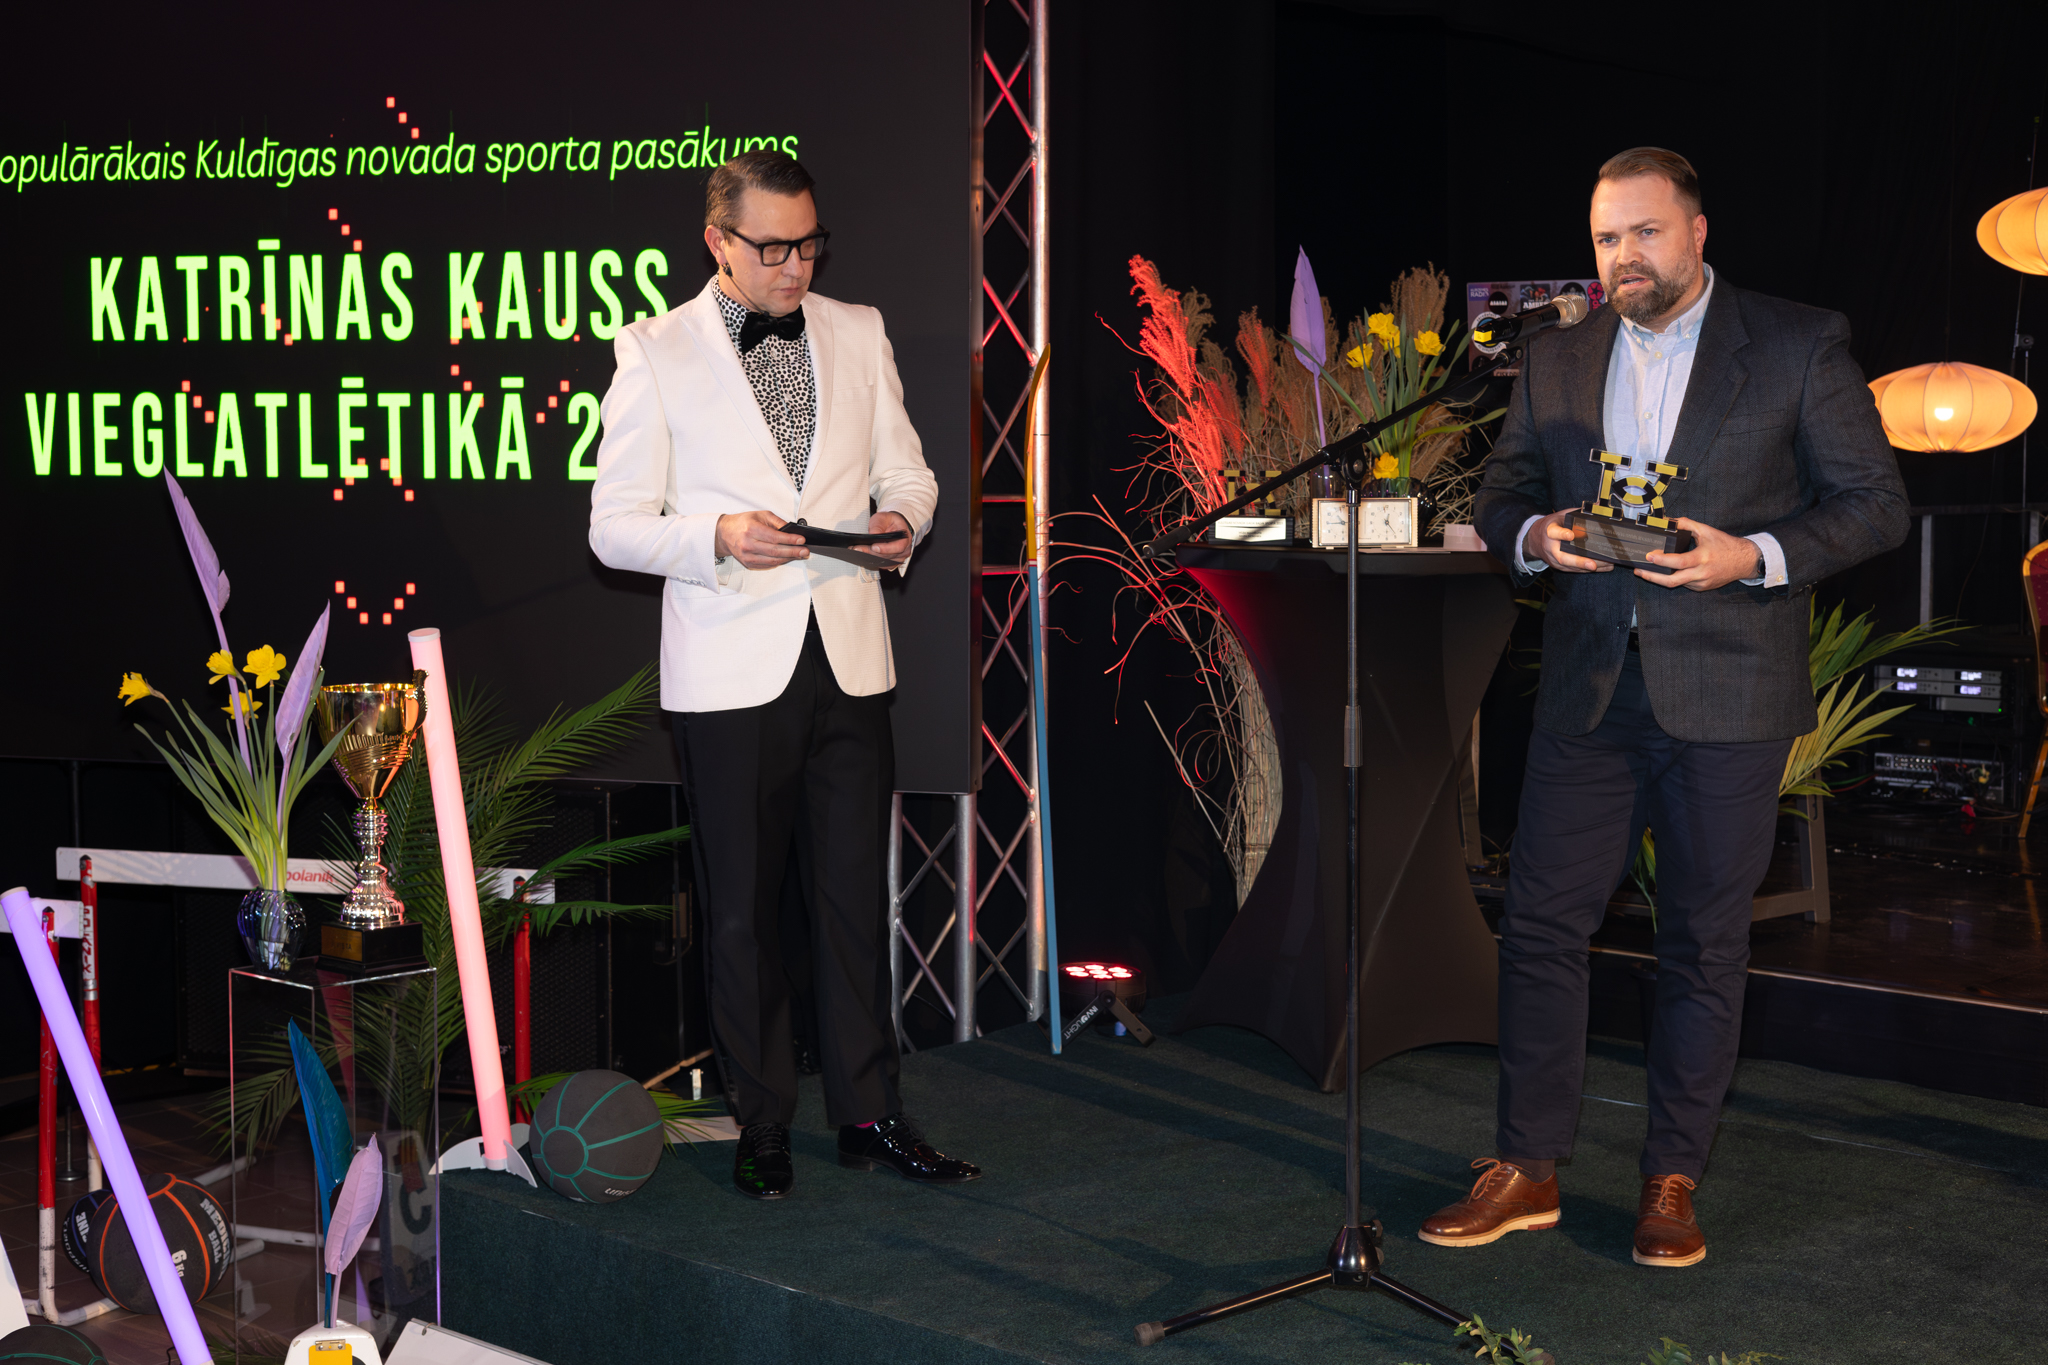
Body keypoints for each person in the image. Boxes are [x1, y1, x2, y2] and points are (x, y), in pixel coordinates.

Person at [1443, 147, 1906, 1266]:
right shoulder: (1557, 355)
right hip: (1589, 687)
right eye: (1607, 238)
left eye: (1645, 232)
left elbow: (1874, 504)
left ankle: (1670, 1178)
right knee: (1540, 928)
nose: (1624, 257)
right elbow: (1504, 492)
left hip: (1731, 687)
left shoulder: (1797, 342)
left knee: (1701, 940)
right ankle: (1527, 1165)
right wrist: (1536, 535)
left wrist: (1751, 555)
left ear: (1698, 233)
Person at [588, 150, 978, 1200]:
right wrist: (715, 535)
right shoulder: (656, 349)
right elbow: (613, 527)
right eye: (771, 248)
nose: (795, 266)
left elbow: (910, 473)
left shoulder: (858, 330)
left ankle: (869, 1112)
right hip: (729, 671)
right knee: (741, 911)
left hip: (848, 657)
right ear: (716, 242)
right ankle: (760, 1120)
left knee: (852, 900)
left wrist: (903, 521)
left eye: (808, 244)